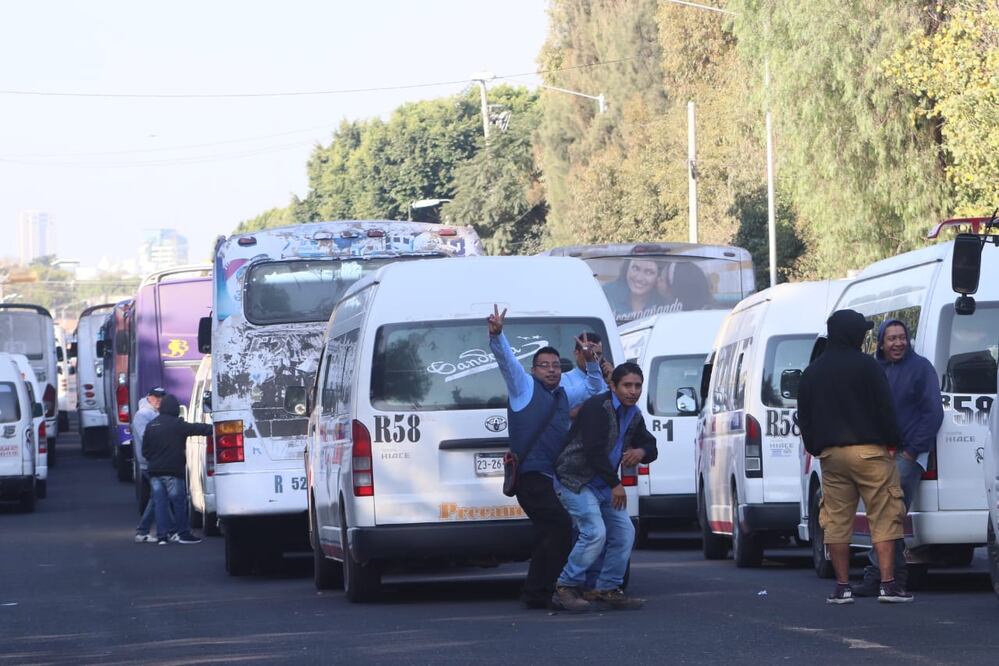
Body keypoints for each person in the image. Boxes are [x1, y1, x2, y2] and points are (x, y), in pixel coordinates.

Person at [487, 305, 604, 610]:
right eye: (544, 365)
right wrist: (497, 335)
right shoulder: (523, 388)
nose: (551, 369)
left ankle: (536, 592)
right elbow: (507, 363)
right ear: (534, 370)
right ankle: (550, 589)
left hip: (550, 477)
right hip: (531, 476)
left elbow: (596, 388)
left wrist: (592, 361)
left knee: (548, 533)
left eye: (556, 365)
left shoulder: (563, 394)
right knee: (561, 528)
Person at [798, 309, 911, 604]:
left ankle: (842, 586)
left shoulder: (813, 372)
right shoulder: (868, 367)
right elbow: (885, 408)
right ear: (854, 335)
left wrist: (816, 447)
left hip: (832, 456)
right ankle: (888, 585)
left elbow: (804, 417)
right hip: (871, 453)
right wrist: (894, 441)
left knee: (836, 521)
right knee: (884, 515)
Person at [554, 362, 658, 611]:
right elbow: (593, 451)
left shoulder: (634, 413)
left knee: (625, 533)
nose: (633, 391)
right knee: (594, 532)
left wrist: (640, 450)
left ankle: (607, 588)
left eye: (637, 386)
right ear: (612, 385)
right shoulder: (597, 408)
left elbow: (651, 445)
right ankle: (565, 587)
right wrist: (616, 483)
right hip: (575, 479)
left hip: (603, 482)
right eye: (627, 385)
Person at [854, 319, 944, 596]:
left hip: (907, 455)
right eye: (891, 338)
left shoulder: (921, 368)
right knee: (885, 515)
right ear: (881, 342)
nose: (897, 343)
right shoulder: (874, 370)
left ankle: (879, 577)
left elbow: (933, 413)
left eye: (902, 337)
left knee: (887, 513)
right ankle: (891, 577)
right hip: (879, 454)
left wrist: (912, 450)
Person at [142, 393, 213, 545]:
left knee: (160, 504)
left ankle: (162, 537)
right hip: (173, 471)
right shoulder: (177, 424)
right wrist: (217, 427)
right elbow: (198, 428)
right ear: (175, 409)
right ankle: (183, 533)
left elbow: (145, 452)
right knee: (178, 503)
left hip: (154, 472)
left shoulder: (151, 425)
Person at [133, 387, 166, 543]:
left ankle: (144, 531)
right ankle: (144, 530)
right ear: (149, 397)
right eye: (156, 397)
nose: (159, 399)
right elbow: (146, 437)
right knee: (159, 496)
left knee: (158, 496)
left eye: (161, 397)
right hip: (149, 462)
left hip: (153, 460)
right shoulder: (142, 415)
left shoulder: (153, 413)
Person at [563, 331, 612, 416]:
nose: (594, 357)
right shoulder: (563, 379)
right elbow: (566, 414)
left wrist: (614, 383)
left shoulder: (607, 381)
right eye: (589, 353)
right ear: (576, 353)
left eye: (598, 354)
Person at [603, 258, 664, 323]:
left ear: (659, 277)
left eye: (649, 272)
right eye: (635, 269)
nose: (639, 278)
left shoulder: (665, 302)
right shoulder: (607, 294)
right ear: (627, 269)